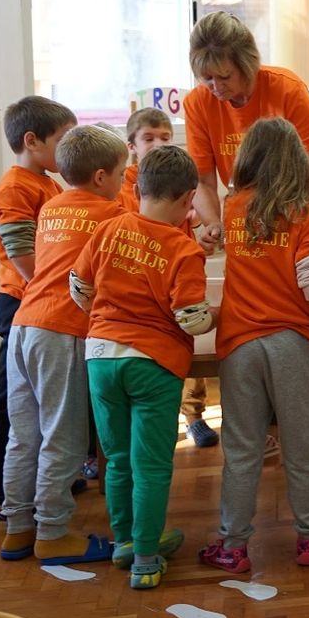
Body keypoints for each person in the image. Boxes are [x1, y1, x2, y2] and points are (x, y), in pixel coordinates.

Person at [182, 11, 309, 467]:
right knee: (262, 322)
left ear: (248, 64)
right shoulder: (198, 104)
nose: (215, 87)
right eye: (206, 77)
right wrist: (213, 224)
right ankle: (270, 429)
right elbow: (203, 181)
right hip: (252, 226)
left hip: (302, 217)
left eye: (224, 76)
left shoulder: (285, 88)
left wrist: (267, 206)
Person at [199, 119, 309, 572]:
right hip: (291, 343)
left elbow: (211, 246)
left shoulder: (233, 208)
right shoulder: (305, 213)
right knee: (301, 444)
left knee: (242, 448)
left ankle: (233, 545)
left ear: (248, 157)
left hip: (239, 344)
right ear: (295, 162)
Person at [71, 146, 213, 589]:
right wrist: (219, 314)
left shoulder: (108, 229)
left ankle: (125, 542)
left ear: (138, 189)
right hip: (154, 362)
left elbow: (78, 286)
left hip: (100, 358)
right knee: (151, 465)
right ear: (187, 198)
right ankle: (146, 560)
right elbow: (192, 319)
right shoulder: (183, 250)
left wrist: (104, 319)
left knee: (116, 460)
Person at [0, 126, 127, 565]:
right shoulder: (113, 216)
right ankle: (53, 533)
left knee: (23, 436)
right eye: (122, 174)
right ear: (101, 177)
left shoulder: (51, 206)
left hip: (24, 325)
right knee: (64, 437)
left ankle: (18, 528)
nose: (124, 182)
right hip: (62, 331)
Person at [0, 95, 77, 522]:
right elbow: (23, 255)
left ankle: (43, 480)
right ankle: (2, 492)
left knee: (45, 397)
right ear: (32, 140)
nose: (68, 148)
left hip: (41, 303)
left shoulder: (47, 183)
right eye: (63, 139)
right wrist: (57, 286)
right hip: (22, 304)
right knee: (12, 401)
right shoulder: (16, 188)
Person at [122, 107, 217, 449]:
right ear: (131, 146)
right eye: (148, 138)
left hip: (177, 283)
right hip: (141, 287)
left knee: (187, 335)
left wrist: (201, 242)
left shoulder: (178, 183)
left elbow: (184, 238)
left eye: (165, 137)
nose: (159, 143)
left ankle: (194, 416)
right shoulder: (126, 187)